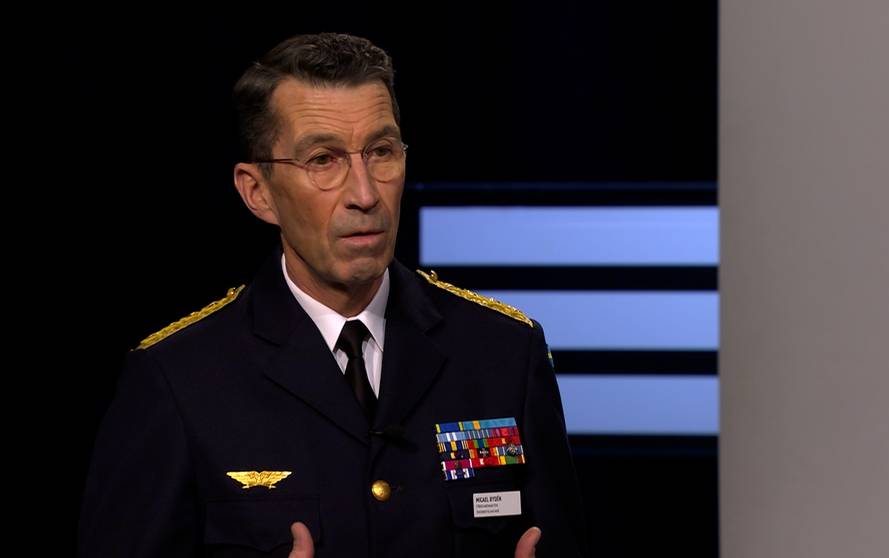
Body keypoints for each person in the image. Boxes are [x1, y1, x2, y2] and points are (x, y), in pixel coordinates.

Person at [79, 32, 585, 557]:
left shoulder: (505, 352)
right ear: (258, 192)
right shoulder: (176, 377)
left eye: (381, 152)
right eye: (323, 160)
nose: (364, 195)